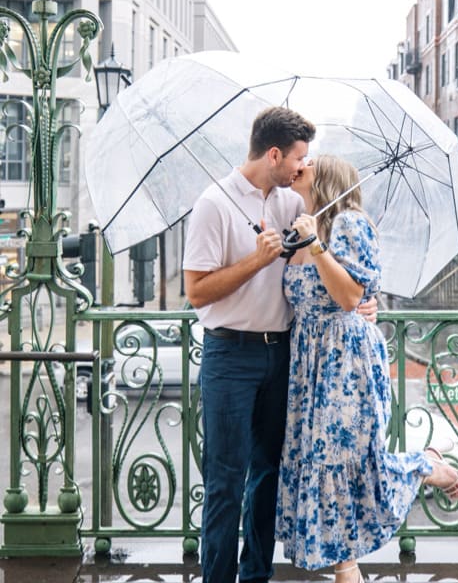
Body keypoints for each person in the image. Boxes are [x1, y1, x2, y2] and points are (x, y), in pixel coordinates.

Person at [275, 155, 458, 583]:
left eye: (308, 163)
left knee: (342, 461)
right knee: (317, 459)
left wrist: (315, 247)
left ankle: (351, 564)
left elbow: (349, 296)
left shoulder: (348, 224)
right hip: (307, 361)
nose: (299, 165)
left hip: (345, 360)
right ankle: (424, 466)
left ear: (326, 179)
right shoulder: (304, 222)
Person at [183, 106, 315, 583]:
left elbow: (321, 267)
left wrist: (367, 303)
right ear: (274, 154)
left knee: (267, 475)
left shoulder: (291, 202)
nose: (304, 167)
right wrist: (257, 262)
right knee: (224, 481)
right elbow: (196, 292)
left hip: (280, 353)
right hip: (229, 355)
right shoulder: (213, 204)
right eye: (299, 158)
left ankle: (255, 575)